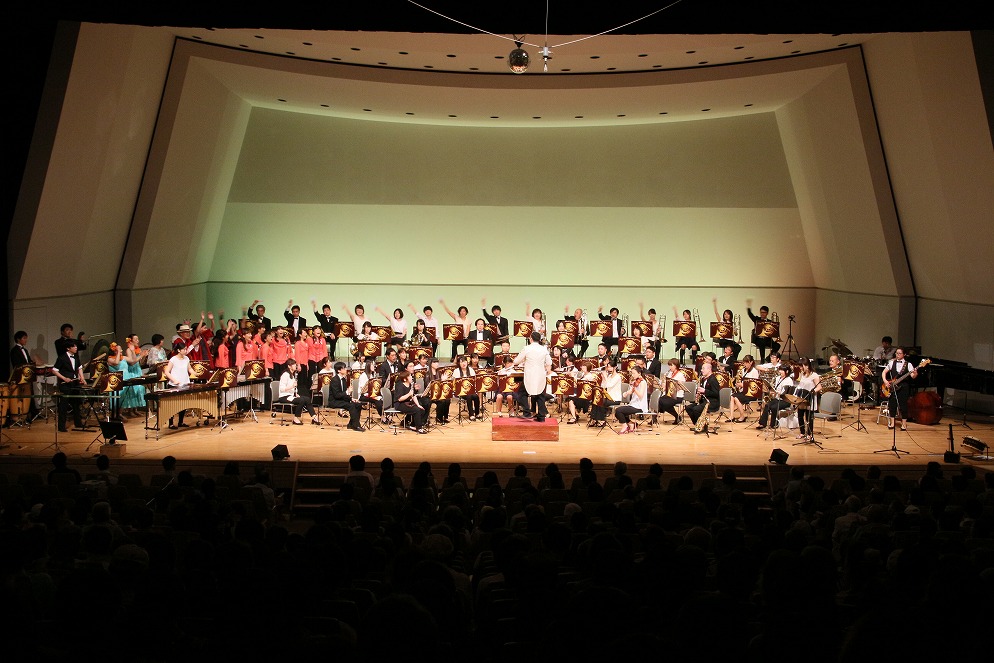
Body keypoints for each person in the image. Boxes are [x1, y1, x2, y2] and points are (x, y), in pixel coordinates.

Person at [512, 331, 553, 422]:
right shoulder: (544, 349)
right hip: (541, 375)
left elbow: (516, 361)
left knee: (521, 393)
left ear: (531, 339)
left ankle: (527, 412)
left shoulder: (527, 348)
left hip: (530, 375)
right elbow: (549, 362)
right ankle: (541, 417)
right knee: (540, 395)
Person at [881, 347, 919, 431]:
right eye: (896, 353)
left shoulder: (908, 364)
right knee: (892, 405)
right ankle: (892, 423)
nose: (897, 355)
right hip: (893, 387)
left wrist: (915, 373)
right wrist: (885, 381)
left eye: (899, 353)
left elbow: (913, 376)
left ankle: (904, 424)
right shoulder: (892, 363)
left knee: (903, 405)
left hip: (904, 387)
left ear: (904, 354)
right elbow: (884, 372)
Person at [52, 338, 86, 432]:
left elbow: (79, 368)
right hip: (65, 385)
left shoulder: (76, 357)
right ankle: (61, 427)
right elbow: (54, 370)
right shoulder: (62, 358)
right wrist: (64, 378)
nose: (76, 348)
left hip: (74, 383)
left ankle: (78, 423)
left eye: (76, 346)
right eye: (74, 346)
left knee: (76, 404)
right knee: (63, 405)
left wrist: (82, 378)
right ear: (68, 348)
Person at [162, 343, 196, 429]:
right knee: (172, 405)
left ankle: (181, 422)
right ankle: (171, 423)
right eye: (184, 349)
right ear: (178, 350)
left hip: (184, 383)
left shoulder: (186, 358)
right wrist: (174, 380)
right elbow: (166, 372)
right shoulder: (173, 359)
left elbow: (189, 368)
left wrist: (194, 373)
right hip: (174, 385)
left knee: (183, 404)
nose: (185, 351)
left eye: (186, 349)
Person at [276, 359, 319, 426]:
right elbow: (282, 388)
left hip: (291, 396)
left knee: (307, 399)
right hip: (284, 397)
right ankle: (296, 418)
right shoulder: (285, 375)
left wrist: (296, 393)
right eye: (293, 365)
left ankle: (314, 417)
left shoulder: (293, 375)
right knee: (301, 400)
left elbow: (294, 388)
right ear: (289, 366)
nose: (295, 366)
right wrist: (292, 386)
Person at [756, 364, 795, 430]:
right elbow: (775, 388)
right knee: (767, 405)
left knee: (774, 407)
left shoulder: (789, 380)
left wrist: (778, 393)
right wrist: (771, 391)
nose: (780, 371)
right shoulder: (778, 378)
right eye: (780, 370)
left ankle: (774, 424)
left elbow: (787, 394)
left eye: (782, 370)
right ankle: (762, 423)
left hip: (785, 400)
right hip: (777, 398)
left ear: (787, 371)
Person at [685, 360, 721, 431]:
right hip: (704, 401)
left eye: (703, 368)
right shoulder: (703, 379)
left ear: (709, 369)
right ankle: (698, 425)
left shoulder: (713, 380)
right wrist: (699, 394)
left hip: (712, 402)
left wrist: (704, 391)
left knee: (696, 409)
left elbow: (716, 393)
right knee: (688, 408)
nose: (701, 370)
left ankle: (702, 426)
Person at [327, 361, 363, 431]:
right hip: (334, 401)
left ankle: (351, 424)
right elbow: (336, 395)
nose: (346, 369)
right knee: (351, 406)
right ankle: (356, 425)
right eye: (344, 368)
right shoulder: (334, 380)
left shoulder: (343, 379)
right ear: (339, 370)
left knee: (358, 404)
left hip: (341, 400)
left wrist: (351, 399)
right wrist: (347, 391)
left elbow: (343, 394)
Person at [793, 358, 821, 441]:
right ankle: (802, 432)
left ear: (807, 366)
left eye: (801, 366)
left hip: (810, 398)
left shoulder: (814, 375)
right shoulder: (802, 374)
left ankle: (809, 434)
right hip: (802, 397)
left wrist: (812, 391)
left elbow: (819, 387)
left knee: (809, 417)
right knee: (800, 415)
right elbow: (800, 385)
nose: (800, 368)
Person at [614, 366, 648, 434]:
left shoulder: (643, 382)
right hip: (633, 404)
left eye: (634, 373)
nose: (632, 375)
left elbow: (641, 395)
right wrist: (626, 393)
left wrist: (634, 390)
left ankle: (625, 426)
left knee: (619, 411)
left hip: (639, 406)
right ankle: (632, 424)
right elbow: (629, 392)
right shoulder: (636, 382)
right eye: (632, 373)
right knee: (617, 412)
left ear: (639, 373)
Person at [729, 354, 759, 422]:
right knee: (732, 396)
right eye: (744, 362)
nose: (744, 364)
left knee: (736, 398)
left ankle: (742, 416)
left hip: (752, 393)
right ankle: (731, 416)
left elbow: (754, 385)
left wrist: (742, 385)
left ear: (751, 362)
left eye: (746, 362)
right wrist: (738, 385)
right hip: (744, 391)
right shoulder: (743, 370)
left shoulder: (754, 371)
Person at [657, 358, 687, 425]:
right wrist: (664, 384)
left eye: (671, 365)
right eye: (669, 365)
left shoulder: (680, 375)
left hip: (677, 395)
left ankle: (676, 416)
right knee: (659, 400)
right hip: (669, 394)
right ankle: (677, 417)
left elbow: (680, 387)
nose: (669, 367)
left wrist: (674, 385)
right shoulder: (670, 373)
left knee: (663, 402)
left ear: (676, 366)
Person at [452, 355, 480, 421]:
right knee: (469, 396)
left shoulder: (471, 370)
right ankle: (471, 414)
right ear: (459, 363)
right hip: (460, 391)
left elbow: (474, 381)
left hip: (470, 390)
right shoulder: (456, 371)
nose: (463, 364)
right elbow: (454, 383)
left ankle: (477, 413)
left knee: (476, 396)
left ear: (467, 362)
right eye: (461, 362)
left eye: (464, 362)